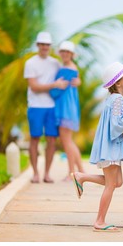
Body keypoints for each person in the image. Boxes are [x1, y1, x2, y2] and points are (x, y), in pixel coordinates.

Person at [71, 62, 123, 232]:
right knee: (111, 185)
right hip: (112, 148)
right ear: (118, 83)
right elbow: (117, 123)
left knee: (117, 182)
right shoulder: (117, 99)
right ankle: (100, 221)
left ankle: (81, 177)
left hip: (111, 147)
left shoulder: (116, 99)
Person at [24, 31, 69, 183]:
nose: (44, 47)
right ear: (37, 45)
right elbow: (34, 86)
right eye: (42, 44)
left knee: (51, 140)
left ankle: (47, 174)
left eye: (47, 45)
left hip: (52, 107)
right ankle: (35, 173)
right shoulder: (30, 63)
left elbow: (68, 74)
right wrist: (54, 85)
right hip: (35, 106)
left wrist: (76, 81)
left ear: (50, 46)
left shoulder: (55, 63)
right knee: (34, 139)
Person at [50, 41, 85, 181]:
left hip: (65, 109)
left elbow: (55, 92)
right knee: (69, 140)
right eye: (62, 51)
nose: (64, 54)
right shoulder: (73, 68)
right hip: (69, 108)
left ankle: (72, 173)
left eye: (67, 52)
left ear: (71, 54)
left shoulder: (65, 70)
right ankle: (81, 172)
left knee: (66, 141)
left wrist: (51, 88)